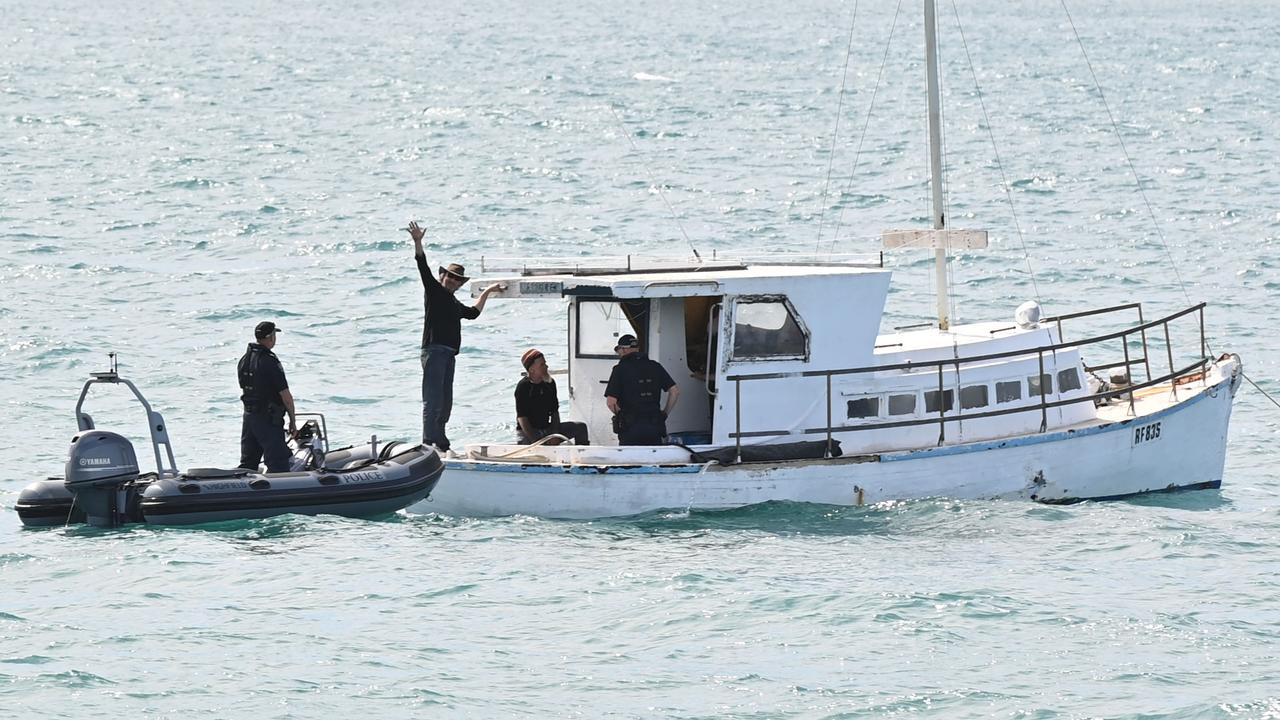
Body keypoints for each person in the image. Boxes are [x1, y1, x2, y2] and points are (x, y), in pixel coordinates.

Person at [406, 220, 504, 451]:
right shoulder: (434, 291)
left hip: (449, 354)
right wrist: (418, 242)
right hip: (434, 351)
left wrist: (488, 291)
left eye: (457, 280)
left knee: (445, 402)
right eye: (449, 277)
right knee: (433, 400)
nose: (452, 281)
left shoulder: (453, 302)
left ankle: (440, 441)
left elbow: (473, 313)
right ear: (442, 277)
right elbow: (422, 266)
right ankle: (428, 442)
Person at [237, 321, 296, 473]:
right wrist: (293, 421)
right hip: (267, 420)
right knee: (278, 465)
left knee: (248, 464)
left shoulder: (244, 360)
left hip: (249, 418)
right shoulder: (269, 361)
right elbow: (286, 395)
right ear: (270, 338)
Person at [604, 334, 680, 446]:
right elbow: (675, 391)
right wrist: (664, 414)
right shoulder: (655, 366)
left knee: (630, 461)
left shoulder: (619, 370)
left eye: (618, 350)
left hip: (630, 429)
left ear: (624, 350)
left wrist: (622, 417)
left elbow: (611, 403)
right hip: (654, 425)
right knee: (654, 460)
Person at [514, 348, 589, 446]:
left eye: (545, 363)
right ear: (531, 370)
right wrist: (536, 441)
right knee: (531, 451)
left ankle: (581, 456)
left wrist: (555, 434)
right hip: (528, 432)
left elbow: (554, 411)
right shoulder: (523, 387)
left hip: (547, 428)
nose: (546, 366)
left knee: (581, 427)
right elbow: (522, 418)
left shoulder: (549, 383)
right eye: (542, 365)